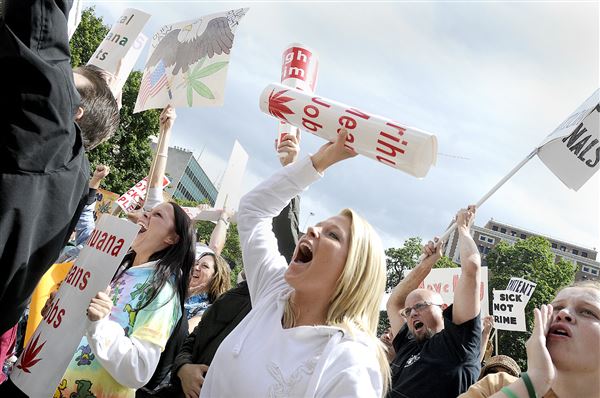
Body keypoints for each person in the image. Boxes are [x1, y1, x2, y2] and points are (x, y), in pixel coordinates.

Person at [200, 130, 390, 397]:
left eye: (333, 235)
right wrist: (317, 162)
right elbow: (253, 210)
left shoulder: (350, 362)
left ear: (354, 272)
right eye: (317, 225)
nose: (312, 230)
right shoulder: (274, 292)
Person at [142, 133, 303, 398]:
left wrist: (293, 171)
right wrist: (184, 369)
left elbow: (286, 234)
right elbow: (193, 340)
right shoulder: (232, 296)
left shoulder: (271, 301)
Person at [0, 0, 119, 334]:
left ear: (73, 113)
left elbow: (38, 22)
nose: (55, 78)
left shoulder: (50, 135)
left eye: (65, 82)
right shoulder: (68, 179)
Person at [386, 206, 483, 398]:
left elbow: (471, 269)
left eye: (420, 306)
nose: (412, 313)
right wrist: (426, 265)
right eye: (409, 311)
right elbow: (394, 303)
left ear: (443, 309)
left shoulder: (458, 344)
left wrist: (463, 227)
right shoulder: (408, 344)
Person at [459, 281, 600, 398]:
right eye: (557, 307)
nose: (563, 313)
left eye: (588, 312)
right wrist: (533, 382)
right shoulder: (497, 387)